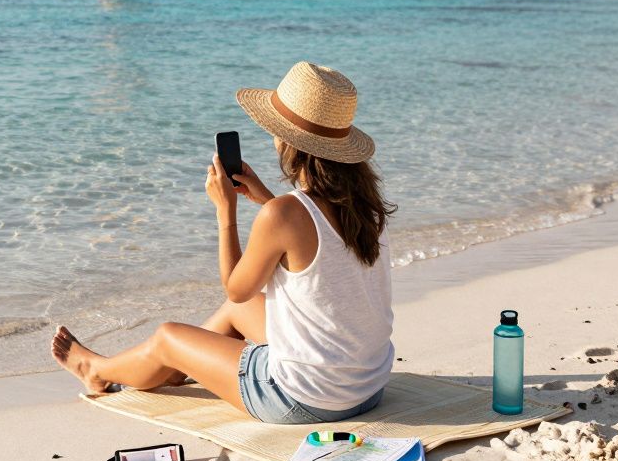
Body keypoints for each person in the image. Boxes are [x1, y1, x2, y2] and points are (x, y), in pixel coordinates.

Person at [51, 62, 396, 425]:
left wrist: (225, 211)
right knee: (235, 317)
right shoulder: (368, 207)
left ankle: (98, 370)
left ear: (288, 141)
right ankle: (170, 370)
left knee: (169, 335)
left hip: (305, 399)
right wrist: (266, 199)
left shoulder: (283, 215)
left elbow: (236, 288)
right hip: (367, 389)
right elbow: (314, 246)